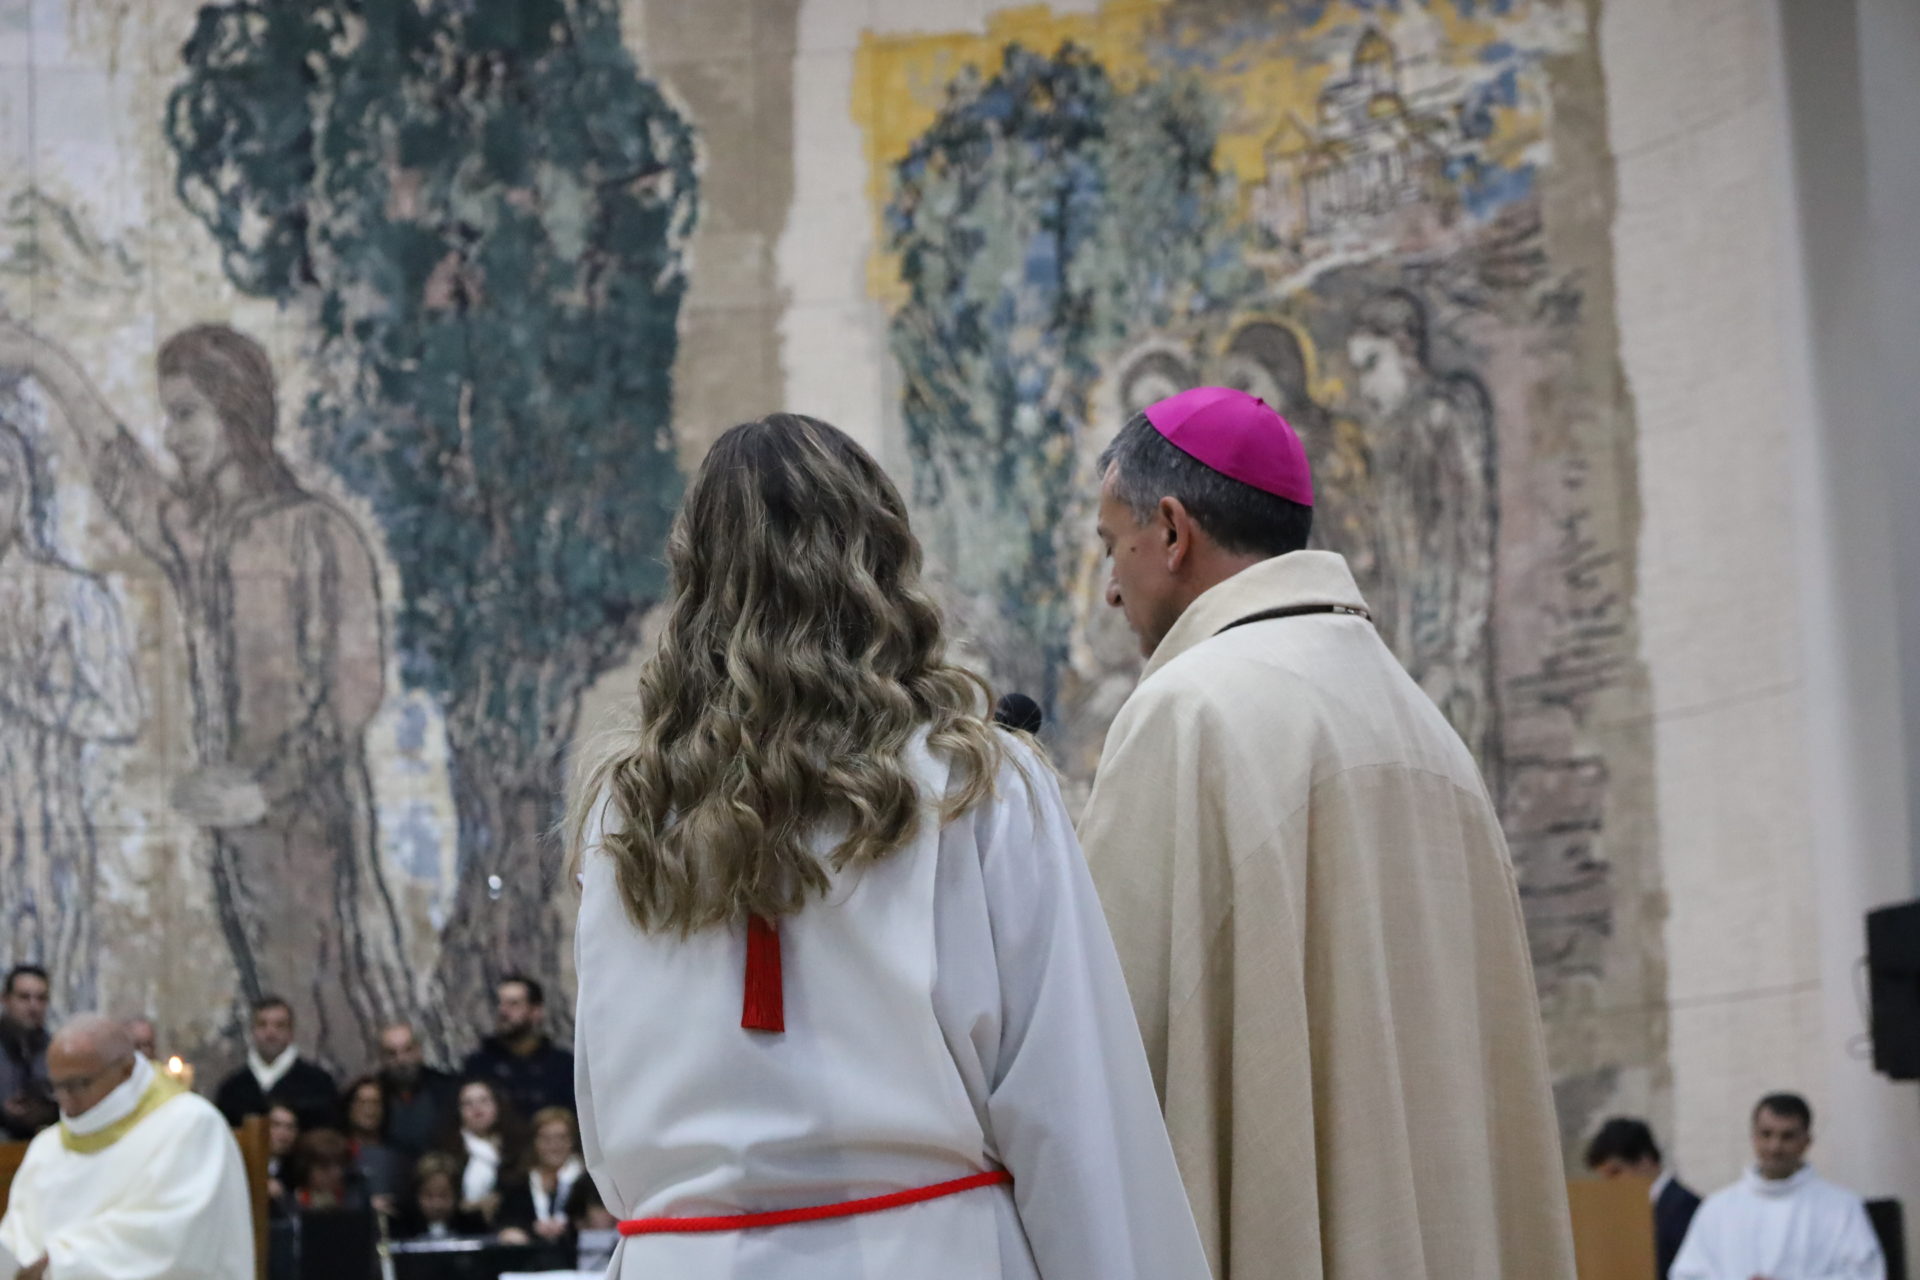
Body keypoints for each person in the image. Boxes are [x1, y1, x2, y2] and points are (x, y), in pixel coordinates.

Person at [568, 414, 1208, 1278]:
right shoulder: (972, 780)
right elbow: (1073, 1107)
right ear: (879, 559)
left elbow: (606, 1130)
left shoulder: (625, 810)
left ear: (692, 575)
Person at [1078, 386, 1573, 1279]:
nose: (1111, 586)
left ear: (1173, 529)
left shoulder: (1190, 714)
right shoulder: (1428, 729)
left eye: (1114, 545)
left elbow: (1108, 1052)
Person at [0, 319, 412, 1070]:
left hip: (307, 825)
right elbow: (125, 477)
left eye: (187, 413)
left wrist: (266, 789)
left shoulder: (318, 532)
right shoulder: (204, 535)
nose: (173, 434)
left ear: (236, 409)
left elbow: (355, 689)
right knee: (265, 988)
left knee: (330, 992)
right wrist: (48, 363)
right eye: (168, 414)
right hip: (236, 834)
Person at [0, 422, 142, 1015]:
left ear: (24, 491)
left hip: (46, 820)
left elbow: (121, 710)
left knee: (56, 977)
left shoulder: (72, 594)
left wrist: (31, 698)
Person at [0, 1013, 252, 1278]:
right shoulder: (47, 1147)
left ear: (126, 1069)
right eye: (57, 1087)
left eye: (79, 1084)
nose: (66, 1100)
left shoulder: (191, 1127)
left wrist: (57, 1267)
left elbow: (167, 1242)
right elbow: (17, 1236)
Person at [1670, 1094, 1885, 1280]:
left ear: (1807, 1141)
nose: (1775, 1147)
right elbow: (1687, 1274)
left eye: (1787, 1136)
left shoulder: (1841, 1208)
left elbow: (1867, 1274)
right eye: (1766, 1134)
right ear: (1753, 1137)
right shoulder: (1717, 1208)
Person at [1585, 1116, 1701, 1280]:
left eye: (1616, 1173)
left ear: (1644, 1160)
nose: (1610, 1185)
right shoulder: (1624, 1211)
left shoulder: (1685, 1206)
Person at [214, 996, 340, 1130]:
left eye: (279, 1025)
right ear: (252, 1031)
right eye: (262, 1024)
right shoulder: (232, 1088)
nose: (270, 1032)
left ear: (291, 1032)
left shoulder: (319, 1083)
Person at [461, 976, 574, 1119]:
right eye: (500, 1003)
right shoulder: (479, 1065)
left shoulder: (562, 1065)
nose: (503, 1011)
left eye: (513, 1004)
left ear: (536, 1011)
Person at [497, 1107, 586, 1247]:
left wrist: (568, 1227)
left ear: (572, 1141)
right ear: (535, 1142)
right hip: (531, 1259)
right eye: (546, 1138)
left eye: (561, 1137)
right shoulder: (518, 1183)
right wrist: (527, 1230)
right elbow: (506, 1222)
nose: (554, 1145)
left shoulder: (588, 1181)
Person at [438, 1078, 522, 1225]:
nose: (477, 1108)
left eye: (484, 1101)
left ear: (497, 1105)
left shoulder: (516, 1147)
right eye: (467, 1103)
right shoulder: (446, 1151)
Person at [376, 1020, 457, 1158]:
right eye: (392, 1053)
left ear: (419, 1050)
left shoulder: (447, 1087)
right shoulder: (374, 1093)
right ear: (382, 1058)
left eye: (407, 1050)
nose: (401, 1060)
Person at [0, 965, 55, 1139]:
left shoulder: (57, 1051)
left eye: (41, 998)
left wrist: (45, 1111)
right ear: (5, 999)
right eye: (24, 997)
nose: (33, 1006)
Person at [342, 1075, 407, 1213]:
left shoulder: (399, 1155)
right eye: (362, 1102)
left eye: (375, 1103)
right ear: (349, 1107)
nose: (369, 1110)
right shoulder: (336, 1152)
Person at [393, 1153, 489, 1242]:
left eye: (444, 1195)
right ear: (417, 1194)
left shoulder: (473, 1227)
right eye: (429, 1195)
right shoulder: (402, 1228)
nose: (437, 1204)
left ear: (457, 1195)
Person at [265, 1103, 301, 1217]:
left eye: (290, 1127)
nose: (283, 1134)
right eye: (276, 1125)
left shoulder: (299, 1168)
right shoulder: (245, 1163)